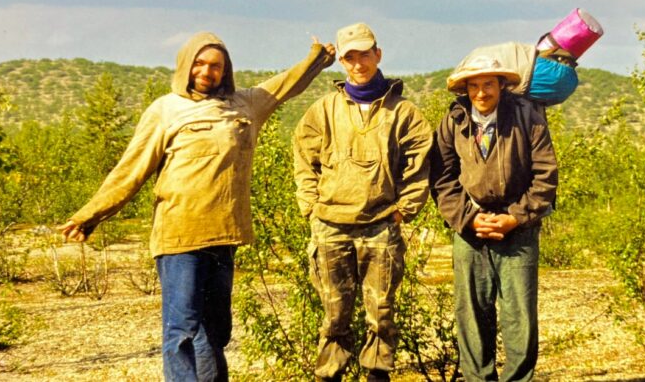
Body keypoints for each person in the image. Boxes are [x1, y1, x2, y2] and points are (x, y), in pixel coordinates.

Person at [57, 31, 336, 381]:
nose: (206, 72)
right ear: (185, 66)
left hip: (224, 235)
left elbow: (284, 86)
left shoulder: (244, 104)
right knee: (183, 330)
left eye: (215, 66)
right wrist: (89, 215)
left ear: (225, 70)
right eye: (199, 64)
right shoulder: (165, 110)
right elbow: (131, 169)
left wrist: (317, 59)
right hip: (179, 238)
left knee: (216, 331)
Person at [293, 22, 432, 382]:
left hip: (381, 226)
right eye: (349, 57)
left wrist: (404, 209)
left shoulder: (404, 113)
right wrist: (310, 205)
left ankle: (377, 374)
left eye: (364, 55)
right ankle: (330, 374)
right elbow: (303, 161)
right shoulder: (323, 110)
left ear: (378, 54)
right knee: (334, 312)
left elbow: (419, 167)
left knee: (381, 311)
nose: (358, 64)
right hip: (330, 226)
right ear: (341, 61)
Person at [429, 54, 558, 381]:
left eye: (488, 84)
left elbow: (545, 177)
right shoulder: (454, 122)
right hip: (470, 231)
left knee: (520, 319)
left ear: (501, 85)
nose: (481, 92)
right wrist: (468, 218)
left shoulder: (528, 118)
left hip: (519, 231)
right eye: (474, 85)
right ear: (465, 88)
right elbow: (442, 179)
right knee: (471, 318)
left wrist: (515, 218)